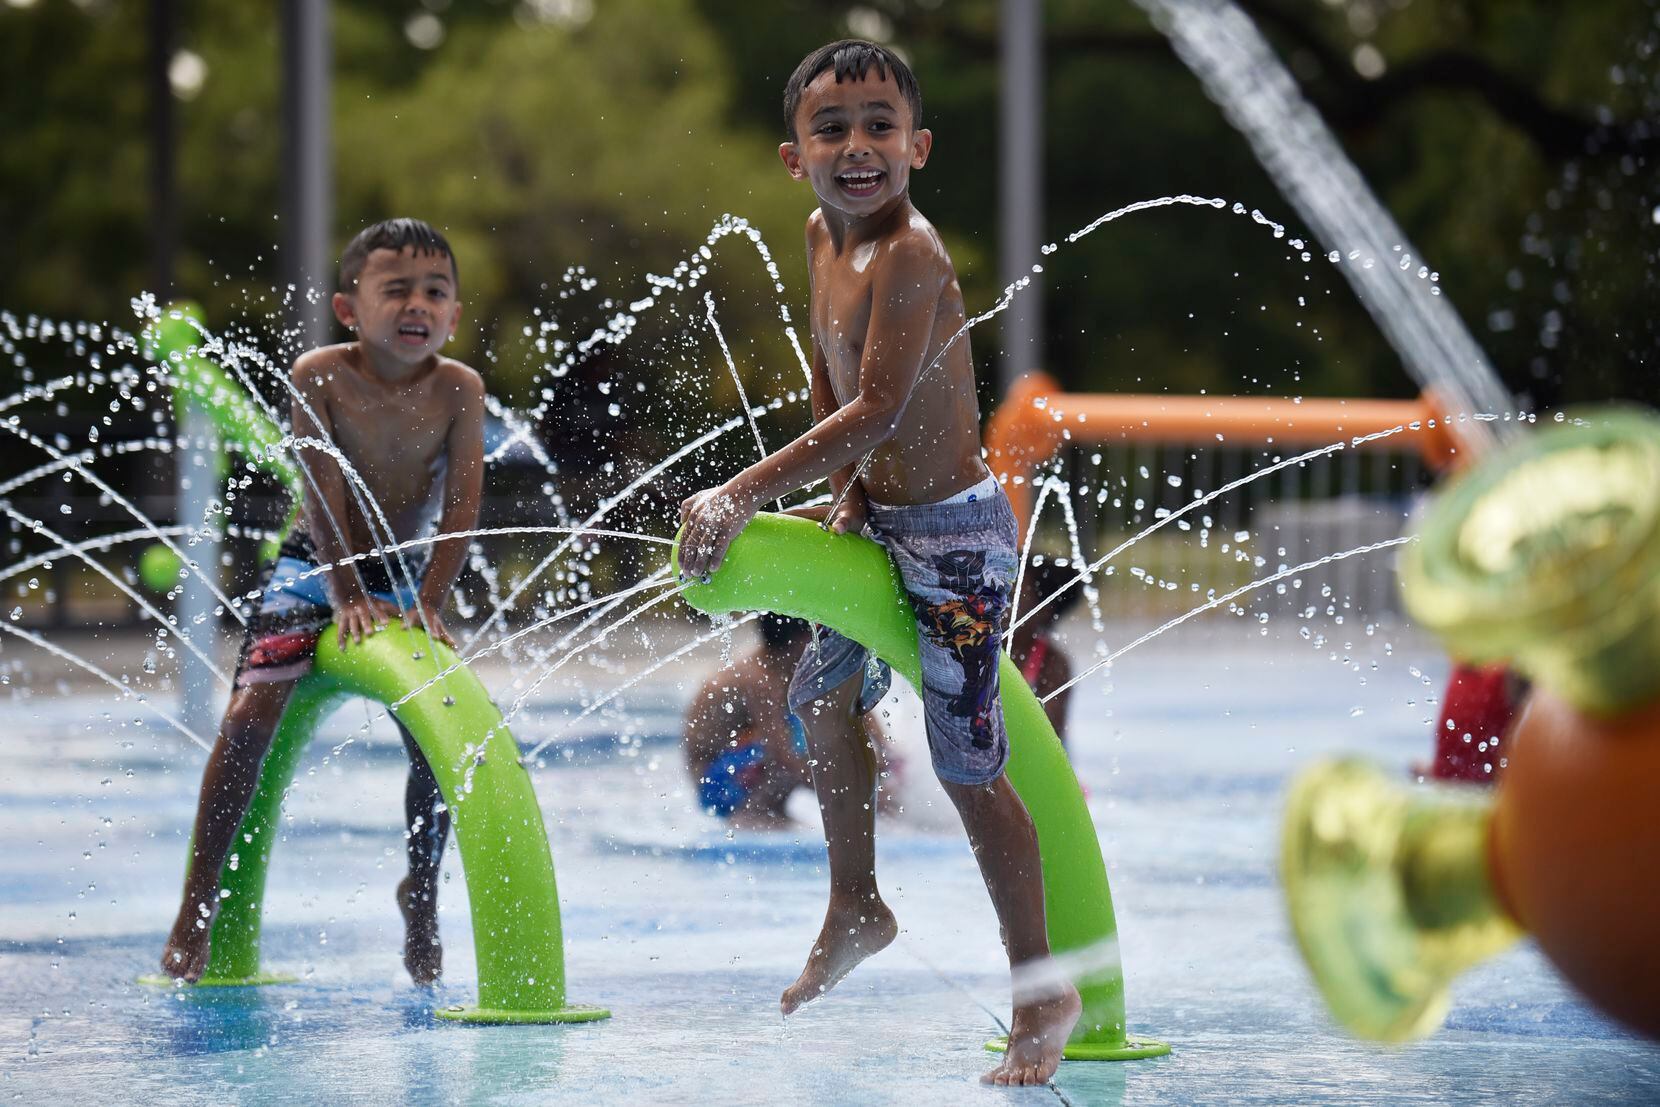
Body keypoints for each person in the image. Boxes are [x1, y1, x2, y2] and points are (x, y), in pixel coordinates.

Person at [677, 40, 1081, 1086]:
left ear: (918, 145)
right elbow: (830, 373)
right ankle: (856, 902)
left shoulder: (913, 256)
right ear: (791, 154)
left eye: (877, 125)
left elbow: (882, 405)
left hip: (952, 537)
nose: (856, 146)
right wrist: (846, 498)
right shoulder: (822, 234)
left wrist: (740, 492)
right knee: (818, 702)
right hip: (879, 522)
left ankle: (1043, 990)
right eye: (831, 127)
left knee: (966, 762)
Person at [160, 218, 486, 988]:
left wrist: (429, 603)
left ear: (455, 313)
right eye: (396, 289)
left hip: (406, 574)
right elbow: (319, 487)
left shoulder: (459, 389)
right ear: (350, 308)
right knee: (247, 721)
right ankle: (196, 903)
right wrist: (342, 595)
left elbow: (465, 505)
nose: (417, 304)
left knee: (435, 737)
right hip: (315, 566)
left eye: (435, 291)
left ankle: (423, 892)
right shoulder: (319, 374)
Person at [1009, 560, 1085, 755]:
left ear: (1044, 610)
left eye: (1015, 595)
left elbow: (1051, 732)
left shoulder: (1053, 663)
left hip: (1044, 762)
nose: (1003, 600)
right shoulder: (983, 645)